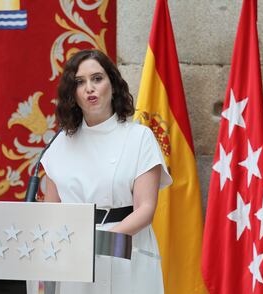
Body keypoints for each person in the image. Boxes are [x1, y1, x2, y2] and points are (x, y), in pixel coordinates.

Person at [40, 49, 172, 294]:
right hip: (74, 255)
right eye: (80, 82)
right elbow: (52, 211)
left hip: (127, 252)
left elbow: (145, 209)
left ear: (113, 85)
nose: (89, 88)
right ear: (73, 94)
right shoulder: (59, 144)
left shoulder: (139, 137)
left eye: (97, 79)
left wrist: (100, 242)